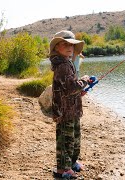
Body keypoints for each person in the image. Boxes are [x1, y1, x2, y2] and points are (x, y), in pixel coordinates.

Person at [49, 30, 89, 179]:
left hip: (72, 109)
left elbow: (68, 89)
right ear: (57, 48)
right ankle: (63, 170)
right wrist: (84, 80)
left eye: (72, 44)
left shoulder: (68, 63)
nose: (69, 47)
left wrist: (80, 92)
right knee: (65, 141)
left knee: (74, 138)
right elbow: (72, 87)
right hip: (65, 112)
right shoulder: (63, 66)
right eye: (64, 44)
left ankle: (72, 163)